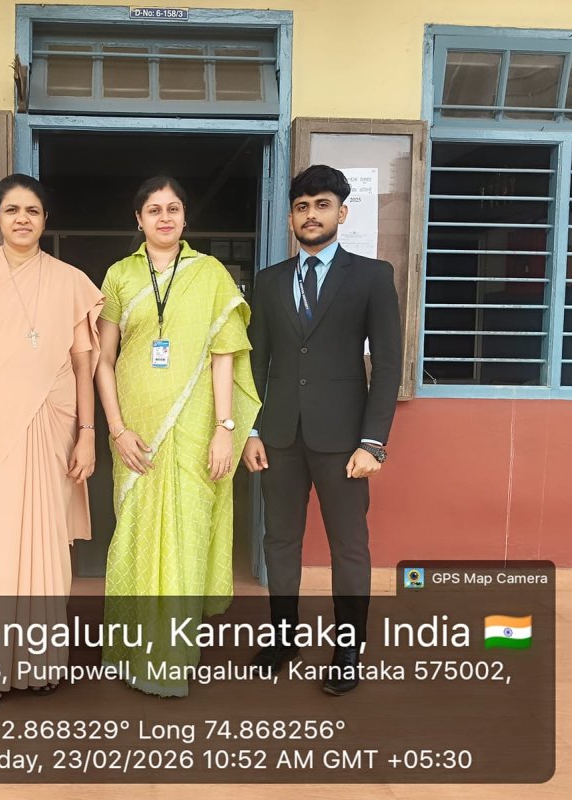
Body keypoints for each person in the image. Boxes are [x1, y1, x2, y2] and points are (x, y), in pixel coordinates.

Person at [95, 176, 261, 697]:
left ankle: (172, 658)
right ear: (138, 221)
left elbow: (225, 354)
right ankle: (131, 653)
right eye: (153, 209)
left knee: (187, 531)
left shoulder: (209, 274)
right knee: (136, 531)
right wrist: (116, 428)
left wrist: (224, 429)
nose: (164, 217)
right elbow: (102, 359)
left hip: (194, 428)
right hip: (136, 427)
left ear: (186, 217)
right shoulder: (120, 275)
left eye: (173, 208)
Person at [0, 174, 103, 693]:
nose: (22, 219)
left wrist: (88, 433)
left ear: (45, 219)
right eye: (12, 210)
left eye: (33, 210)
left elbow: (84, 365)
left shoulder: (71, 280)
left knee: (46, 540)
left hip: (53, 424)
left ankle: (40, 663)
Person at [244, 164, 402, 695]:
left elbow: (388, 364)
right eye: (302, 206)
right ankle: (283, 636)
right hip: (280, 437)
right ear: (291, 216)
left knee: (349, 547)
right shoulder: (268, 282)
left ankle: (347, 650)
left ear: (342, 211)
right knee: (280, 542)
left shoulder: (372, 276)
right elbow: (254, 365)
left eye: (322, 205)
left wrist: (374, 442)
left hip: (345, 443)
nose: (312, 215)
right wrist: (251, 431)